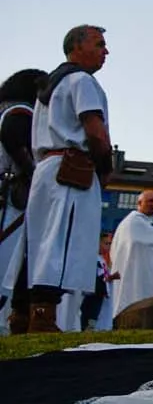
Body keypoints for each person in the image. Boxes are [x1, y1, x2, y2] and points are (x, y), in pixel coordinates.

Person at [25, 26, 112, 334]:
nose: (105, 51)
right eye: (99, 44)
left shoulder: (49, 88)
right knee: (62, 241)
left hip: (46, 167)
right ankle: (43, 316)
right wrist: (105, 165)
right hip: (72, 169)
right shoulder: (82, 81)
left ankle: (23, 313)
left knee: (41, 241)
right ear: (77, 47)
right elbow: (95, 130)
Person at [0, 68, 46, 336]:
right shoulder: (19, 112)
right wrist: (33, 173)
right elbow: (13, 138)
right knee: (7, 262)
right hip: (9, 198)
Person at [110, 191, 153, 313]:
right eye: (150, 201)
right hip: (133, 270)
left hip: (147, 273)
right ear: (139, 203)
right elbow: (135, 243)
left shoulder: (152, 223)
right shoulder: (132, 222)